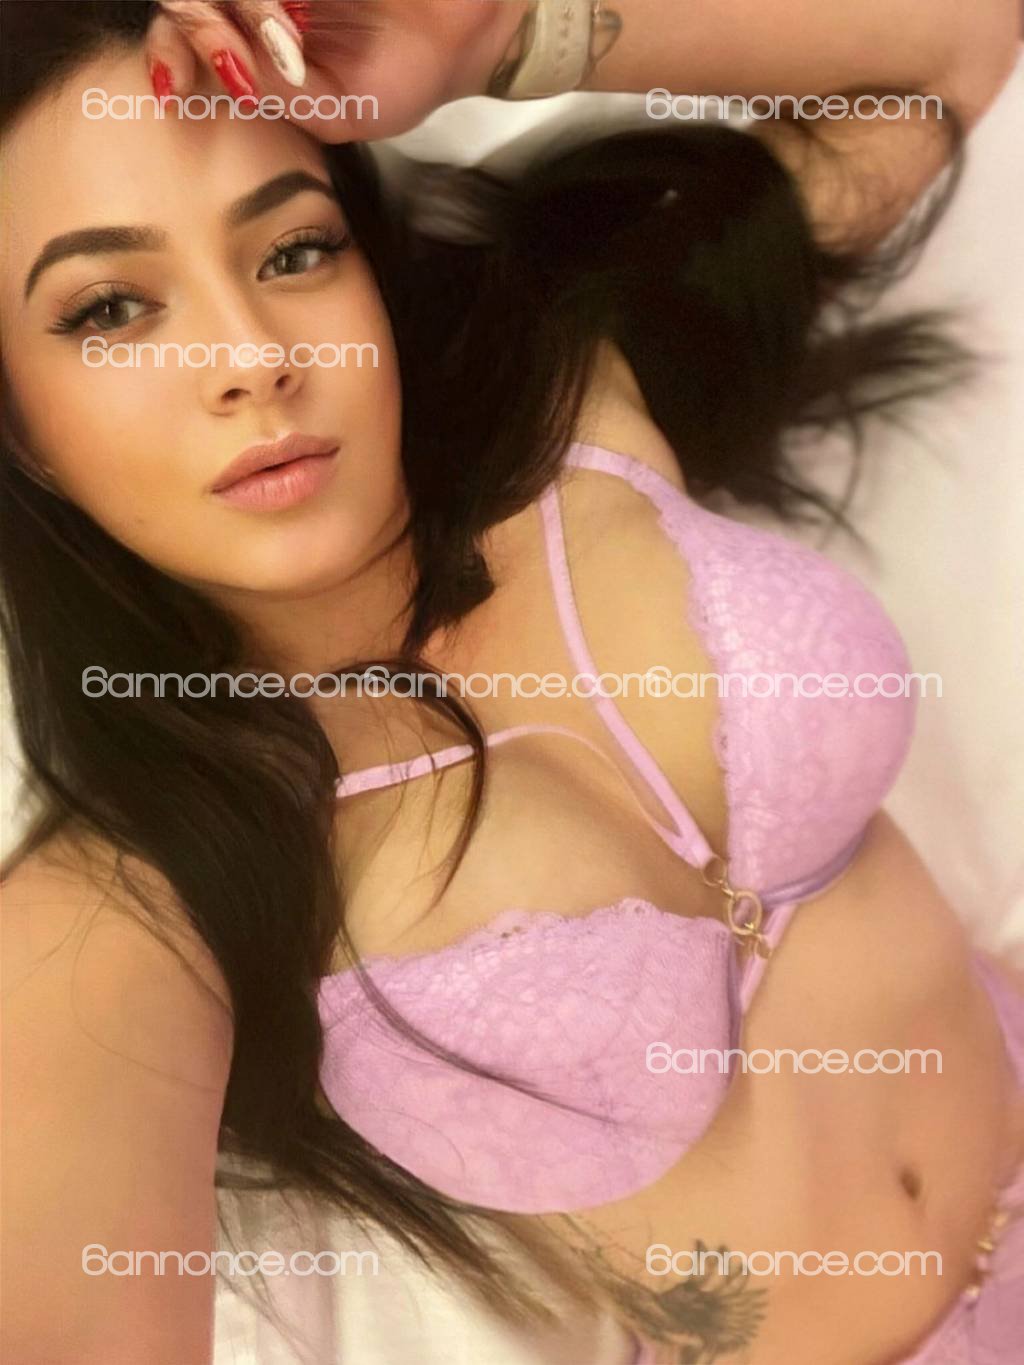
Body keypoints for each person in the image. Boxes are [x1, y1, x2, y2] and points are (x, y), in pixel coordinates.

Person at [1, 3, 1021, 1363]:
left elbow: (948, 55)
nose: (251, 359)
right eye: (111, 309)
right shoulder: (136, 891)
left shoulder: (574, 394)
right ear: (22, 428)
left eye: (295, 249)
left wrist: (485, 43)